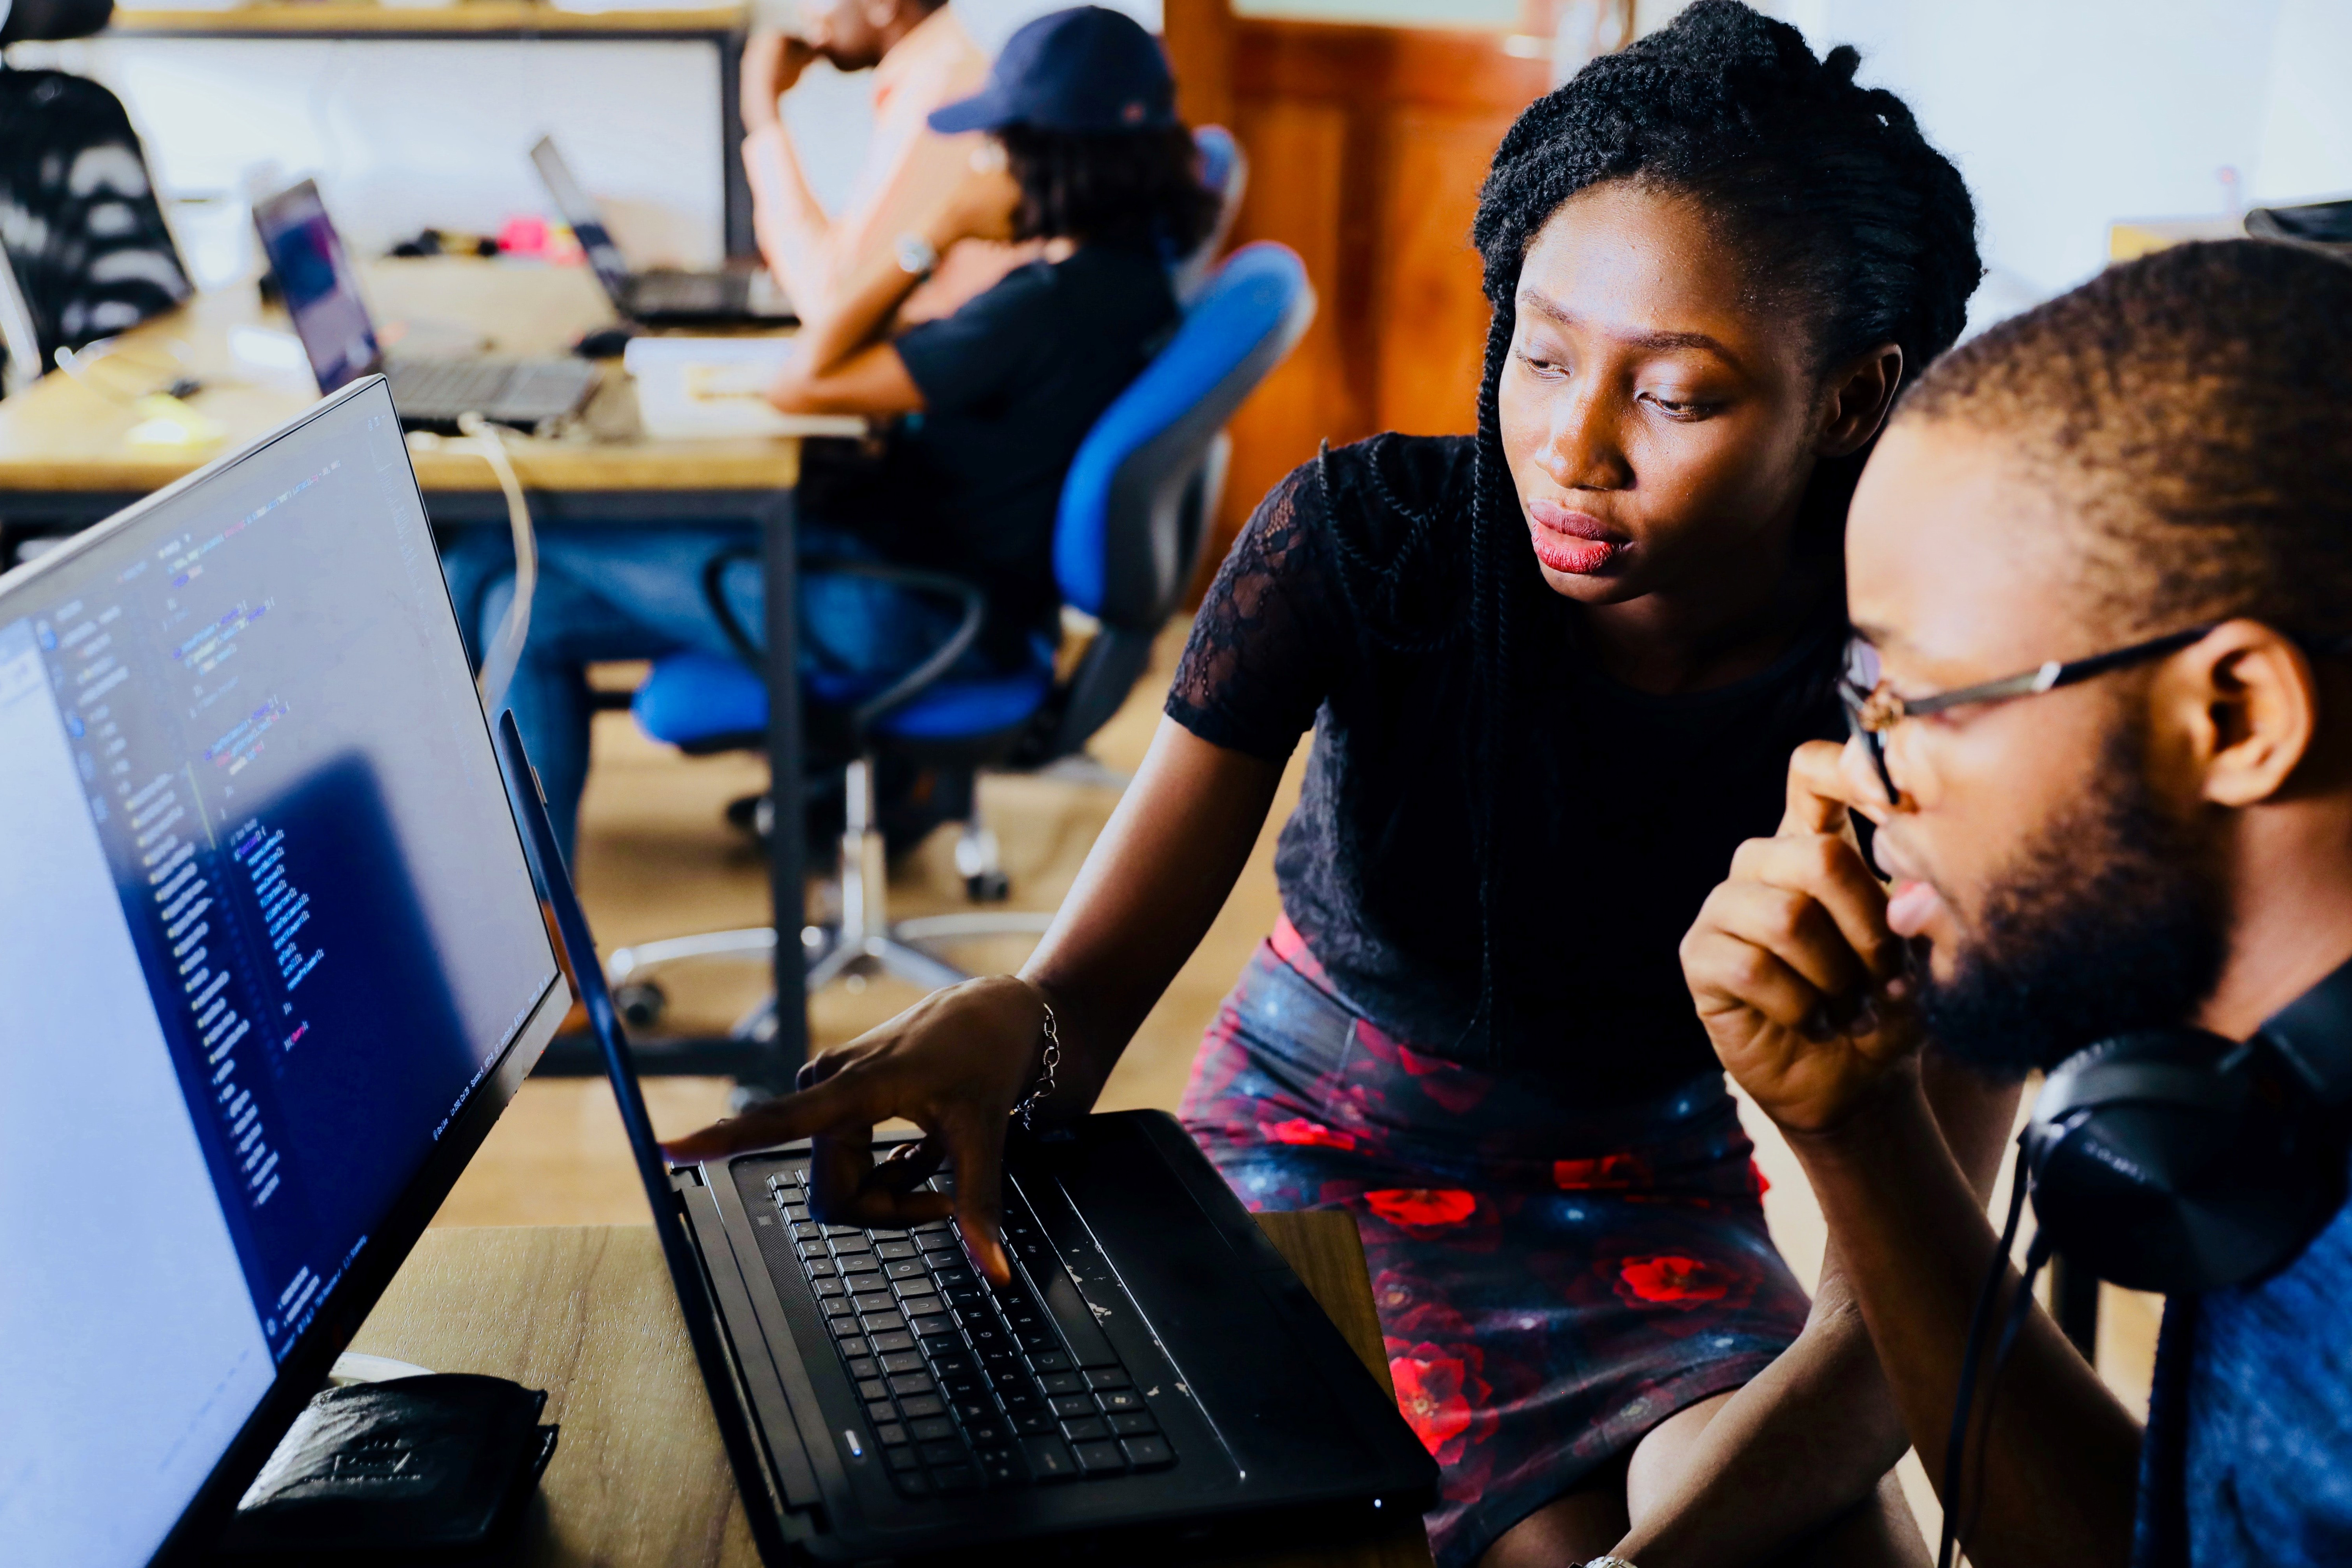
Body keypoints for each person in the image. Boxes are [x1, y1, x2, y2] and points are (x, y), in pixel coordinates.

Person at [669, 5, 1998, 1564]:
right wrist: (1006, 1027)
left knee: (1831, 1547)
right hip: (1305, 1166)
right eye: (1542, 353)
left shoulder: (1926, 700)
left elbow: (1902, 1321)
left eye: (1672, 395)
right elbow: (1079, 998)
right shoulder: (1362, 544)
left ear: (1846, 399)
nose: (1567, 446)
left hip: (1642, 1211)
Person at [1680, 238, 2352, 1568]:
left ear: (2231, 717)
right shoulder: (2251, 1097)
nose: (1846, 775)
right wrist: (1857, 1131)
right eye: (1855, 689)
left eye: (1912, 701)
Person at [454, 5, 1218, 857]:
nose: (978, 162)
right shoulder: (1130, 281)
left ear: (1049, 158)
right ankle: (543, 916)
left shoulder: (1040, 311)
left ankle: (500, 900)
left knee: (492, 557)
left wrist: (931, 233)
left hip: (904, 609)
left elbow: (804, 377)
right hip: (943, 587)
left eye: (994, 144)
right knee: (520, 605)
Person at [740, 0, 1038, 323]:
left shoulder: (937, 92)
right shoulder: (936, 74)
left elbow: (836, 303)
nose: (804, 11)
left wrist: (763, 114)